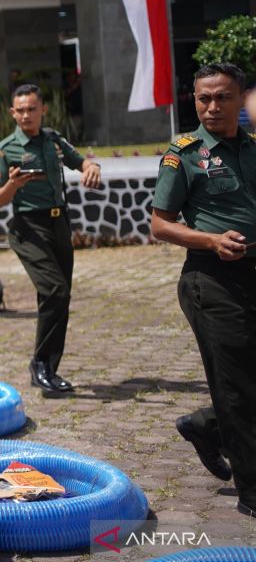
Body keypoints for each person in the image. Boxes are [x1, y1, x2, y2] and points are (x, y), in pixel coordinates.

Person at [150, 62, 256, 519]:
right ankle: (252, 490)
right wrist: (212, 240)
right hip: (210, 280)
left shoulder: (252, 149)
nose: (212, 107)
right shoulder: (185, 152)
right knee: (237, 388)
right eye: (203, 98)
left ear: (239, 99)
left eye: (222, 97)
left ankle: (205, 425)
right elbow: (159, 224)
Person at [0, 84, 101, 396]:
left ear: (42, 110)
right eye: (20, 110)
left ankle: (49, 368)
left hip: (58, 223)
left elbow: (82, 162)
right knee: (55, 289)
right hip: (28, 227)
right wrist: (13, 183)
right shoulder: (5, 149)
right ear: (12, 113)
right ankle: (39, 364)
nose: (26, 115)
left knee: (59, 297)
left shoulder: (53, 140)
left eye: (31, 109)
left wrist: (92, 167)